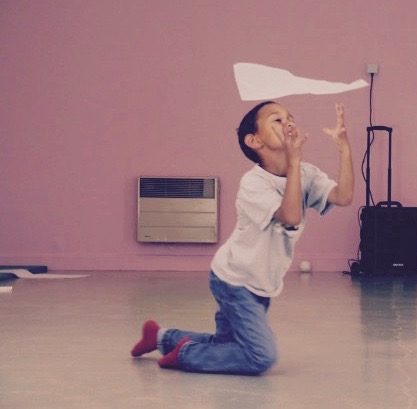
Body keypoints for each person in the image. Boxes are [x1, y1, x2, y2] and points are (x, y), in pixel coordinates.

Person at [131, 101, 354, 375]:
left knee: (228, 344)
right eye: (277, 120)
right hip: (234, 280)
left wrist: (344, 149)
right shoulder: (254, 183)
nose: (288, 123)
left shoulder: (305, 173)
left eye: (290, 117)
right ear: (254, 141)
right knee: (261, 357)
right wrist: (294, 162)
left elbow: (343, 196)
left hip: (261, 283)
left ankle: (161, 337)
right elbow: (290, 216)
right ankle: (187, 355)